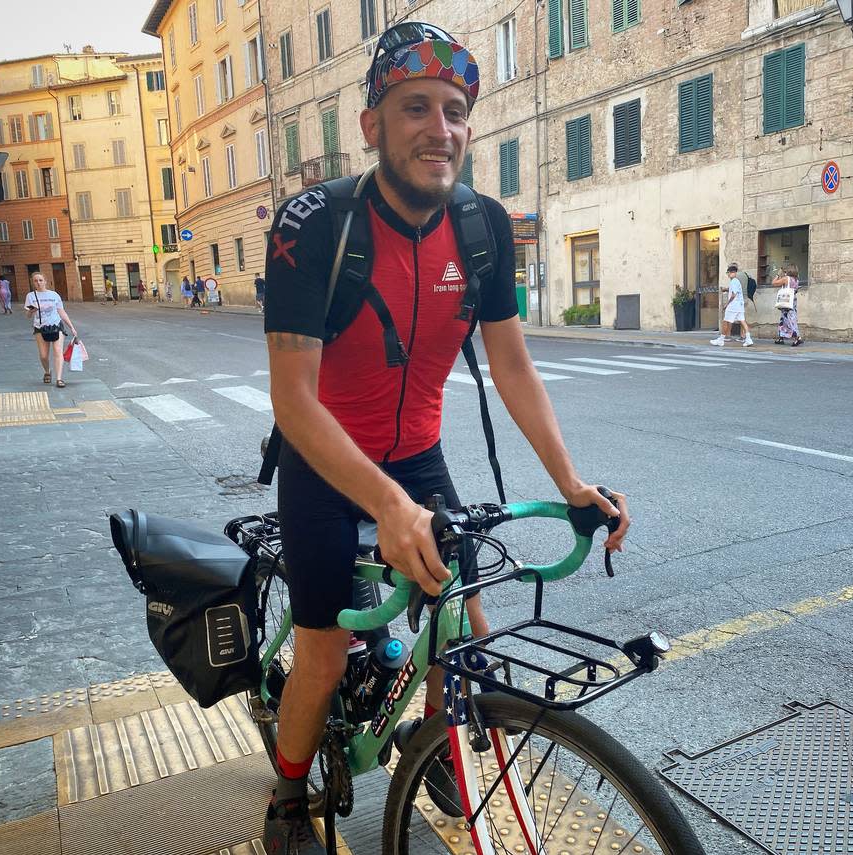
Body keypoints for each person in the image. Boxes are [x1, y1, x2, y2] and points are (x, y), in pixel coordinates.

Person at [261, 21, 629, 854]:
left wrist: (573, 484)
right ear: (372, 125)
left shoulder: (483, 226)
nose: (441, 127)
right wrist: (386, 506)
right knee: (322, 647)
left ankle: (434, 744)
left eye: (456, 110)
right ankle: (288, 792)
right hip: (326, 461)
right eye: (416, 107)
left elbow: (514, 368)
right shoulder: (312, 226)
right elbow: (293, 401)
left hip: (418, 454)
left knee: (465, 624)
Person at [25, 272, 79, 388]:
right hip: (40, 327)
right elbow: (28, 315)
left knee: (58, 351)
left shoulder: (54, 295)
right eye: (35, 281)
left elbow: (61, 311)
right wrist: (31, 311)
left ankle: (59, 379)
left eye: (40, 280)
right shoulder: (31, 296)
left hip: (56, 325)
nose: (38, 283)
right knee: (44, 356)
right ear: (33, 283)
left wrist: (71, 327)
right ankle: (47, 371)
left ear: (45, 281)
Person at [710, 263, 753, 347]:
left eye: (728, 273)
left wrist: (727, 304)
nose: (728, 275)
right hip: (739, 305)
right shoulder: (737, 281)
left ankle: (721, 340)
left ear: (732, 272)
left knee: (725, 322)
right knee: (742, 321)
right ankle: (748, 339)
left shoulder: (733, 281)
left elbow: (733, 295)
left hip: (733, 305)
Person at [773, 264, 803, 346]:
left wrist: (778, 274)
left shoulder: (786, 278)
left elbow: (774, 283)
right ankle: (781, 337)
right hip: (792, 301)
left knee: (789, 320)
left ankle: (797, 338)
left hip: (786, 301)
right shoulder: (796, 280)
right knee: (785, 319)